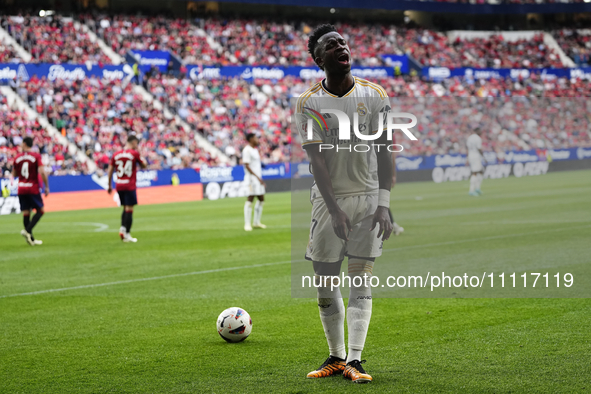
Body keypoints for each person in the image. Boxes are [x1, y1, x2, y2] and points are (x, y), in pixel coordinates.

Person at [296, 24, 393, 383]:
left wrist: (383, 203)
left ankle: (355, 359)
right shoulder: (308, 103)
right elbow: (316, 160)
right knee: (324, 279)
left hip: (368, 199)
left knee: (360, 278)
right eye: (330, 44)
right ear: (320, 59)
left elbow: (385, 153)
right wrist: (334, 208)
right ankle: (336, 356)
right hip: (328, 202)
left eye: (342, 41)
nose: (341, 46)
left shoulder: (376, 95)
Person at [107, 135, 147, 242]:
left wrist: (109, 185)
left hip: (119, 184)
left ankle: (123, 229)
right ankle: (127, 233)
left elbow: (110, 170)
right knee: (130, 209)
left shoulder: (116, 154)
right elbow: (144, 165)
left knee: (125, 207)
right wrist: (140, 154)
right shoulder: (134, 154)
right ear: (134, 143)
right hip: (129, 184)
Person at [12, 137, 49, 246]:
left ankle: (31, 239)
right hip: (32, 187)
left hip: (21, 188)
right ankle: (28, 231)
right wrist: (46, 186)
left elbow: (14, 174)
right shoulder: (36, 156)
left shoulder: (17, 157)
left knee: (26, 212)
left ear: (24, 144)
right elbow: (42, 172)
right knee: (41, 211)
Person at [242, 133, 266, 231]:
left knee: (261, 199)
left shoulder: (255, 150)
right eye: (256, 138)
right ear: (251, 139)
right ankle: (247, 224)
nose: (257, 140)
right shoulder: (246, 150)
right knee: (250, 198)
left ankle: (256, 222)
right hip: (251, 178)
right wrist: (257, 177)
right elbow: (247, 165)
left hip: (257, 178)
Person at [467, 128, 485, 196]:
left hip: (471, 155)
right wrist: (484, 157)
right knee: (475, 172)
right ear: (477, 131)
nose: (481, 132)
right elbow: (479, 148)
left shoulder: (469, 138)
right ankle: (471, 190)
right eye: (480, 130)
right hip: (476, 156)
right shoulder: (477, 138)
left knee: (480, 171)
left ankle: (477, 188)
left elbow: (468, 148)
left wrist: (467, 157)